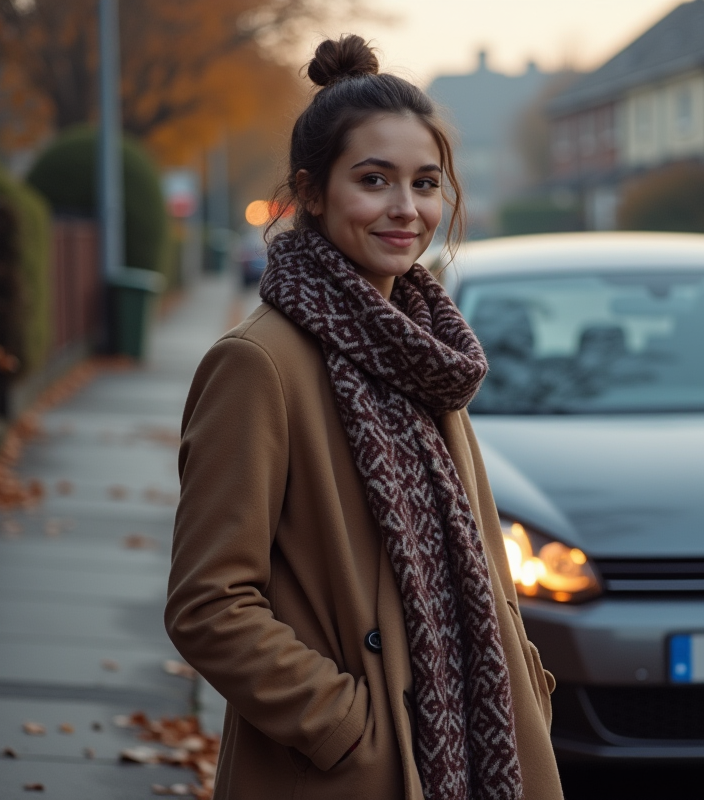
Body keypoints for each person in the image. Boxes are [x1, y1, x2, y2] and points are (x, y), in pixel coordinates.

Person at [165, 34, 564, 800]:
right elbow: (208, 603)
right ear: (311, 193)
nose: (406, 209)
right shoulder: (259, 365)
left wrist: (526, 691)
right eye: (374, 180)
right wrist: (346, 724)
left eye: (425, 183)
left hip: (479, 757)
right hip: (351, 772)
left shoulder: (429, 359)